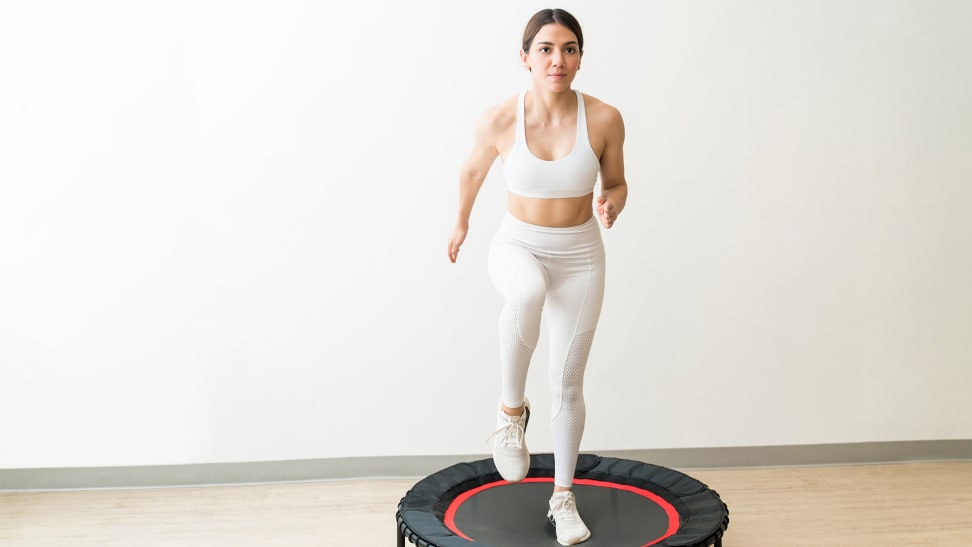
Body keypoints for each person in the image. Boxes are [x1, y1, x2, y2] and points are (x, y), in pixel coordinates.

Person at [446, 8, 627, 546]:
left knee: (567, 383)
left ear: (580, 57)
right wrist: (460, 223)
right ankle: (509, 413)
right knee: (525, 291)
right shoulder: (500, 119)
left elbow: (617, 180)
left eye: (569, 48)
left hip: (581, 257)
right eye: (545, 49)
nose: (558, 60)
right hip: (517, 244)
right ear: (524, 57)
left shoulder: (605, 118)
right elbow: (472, 171)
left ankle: (563, 496)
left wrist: (612, 202)